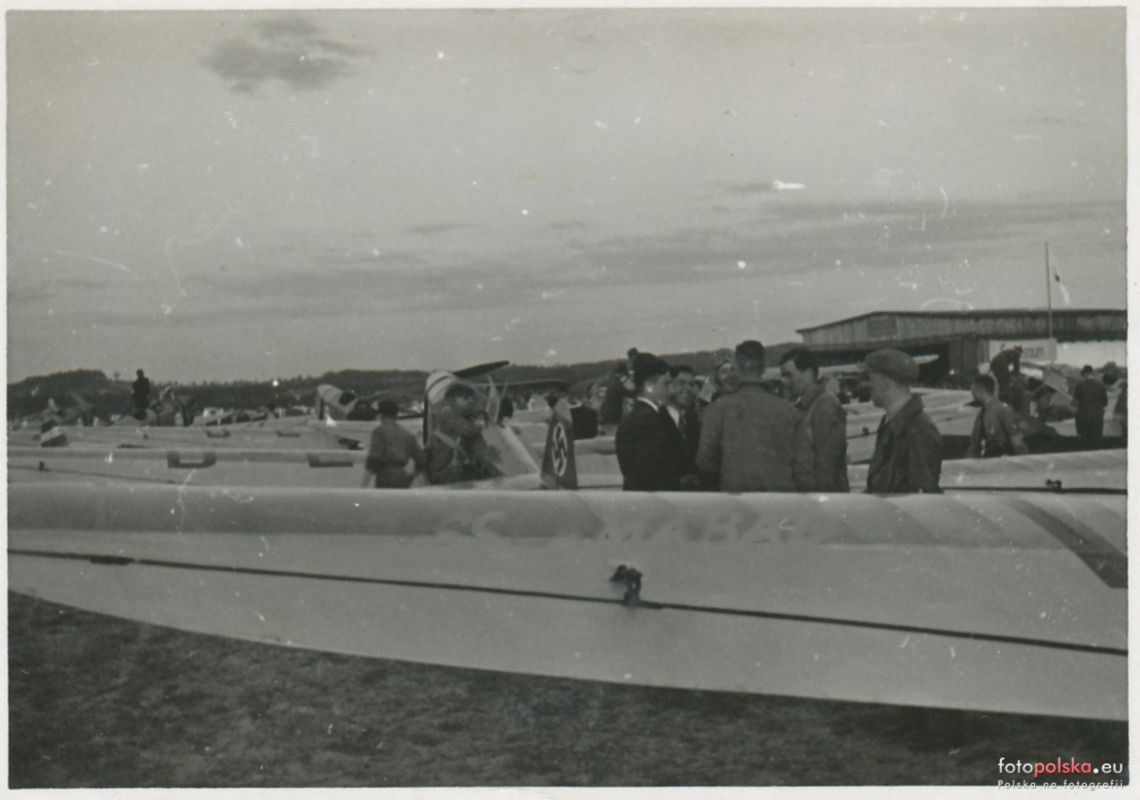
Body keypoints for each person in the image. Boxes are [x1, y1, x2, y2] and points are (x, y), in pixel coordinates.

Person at [695, 340, 806, 492]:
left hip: (737, 504)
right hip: (781, 503)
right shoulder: (789, 411)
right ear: (764, 367)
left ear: (737, 367)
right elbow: (804, 466)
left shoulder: (717, 410)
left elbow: (705, 463)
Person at [864, 348, 942, 493]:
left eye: (871, 378)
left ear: (885, 382)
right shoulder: (893, 424)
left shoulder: (918, 430)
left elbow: (923, 500)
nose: (869, 385)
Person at [615, 353, 689, 491]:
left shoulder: (653, 415)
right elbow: (650, 476)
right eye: (666, 384)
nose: (671, 390)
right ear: (649, 385)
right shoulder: (647, 421)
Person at [779, 347, 849, 492]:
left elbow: (828, 466)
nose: (784, 381)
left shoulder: (825, 405)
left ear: (809, 374)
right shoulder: (803, 406)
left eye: (788, 375)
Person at [425, 380, 499, 484]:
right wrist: (484, 426)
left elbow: (467, 410)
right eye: (466, 398)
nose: (469, 401)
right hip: (445, 467)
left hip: (440, 463)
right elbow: (469, 430)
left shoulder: (441, 407)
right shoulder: (447, 411)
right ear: (456, 396)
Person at [362, 400, 427, 488]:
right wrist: (411, 476)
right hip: (402, 476)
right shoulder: (407, 435)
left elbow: (373, 459)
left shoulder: (379, 432)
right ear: (396, 415)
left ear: (380, 415)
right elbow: (422, 461)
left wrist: (363, 485)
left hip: (385, 476)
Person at [966, 374, 1028, 458]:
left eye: (972, 389)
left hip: (1003, 459)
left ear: (980, 389)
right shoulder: (981, 414)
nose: (971, 393)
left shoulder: (1004, 410)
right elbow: (974, 445)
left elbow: (1017, 443)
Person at [666, 365, 702, 482]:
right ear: (668, 386)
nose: (688, 389)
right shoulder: (654, 421)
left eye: (691, 384)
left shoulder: (693, 422)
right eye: (681, 383)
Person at [1073, 364, 1109, 448]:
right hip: (1097, 415)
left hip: (1083, 415)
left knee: (1084, 441)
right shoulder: (1101, 385)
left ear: (1084, 374)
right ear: (1092, 373)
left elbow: (1075, 402)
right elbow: (1105, 403)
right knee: (1096, 439)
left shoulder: (1080, 385)